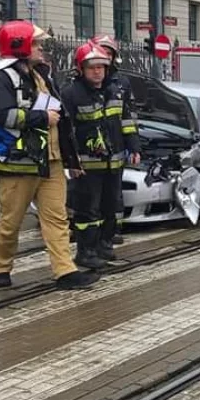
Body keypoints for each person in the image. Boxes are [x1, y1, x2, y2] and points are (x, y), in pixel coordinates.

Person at [0, 21, 98, 290]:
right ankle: (2, 268)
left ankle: (65, 272)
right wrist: (41, 116)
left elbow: (62, 120)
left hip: (50, 160)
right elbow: (3, 116)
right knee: (11, 222)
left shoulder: (42, 75)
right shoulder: (0, 79)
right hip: (18, 163)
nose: (41, 48)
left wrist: (72, 161)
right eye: (35, 43)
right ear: (19, 46)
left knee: (57, 218)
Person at [62, 42, 142, 270]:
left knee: (110, 208)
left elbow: (127, 121)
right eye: (92, 67)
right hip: (87, 165)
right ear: (81, 69)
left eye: (101, 67)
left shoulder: (115, 90)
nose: (97, 71)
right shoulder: (71, 94)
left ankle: (104, 245)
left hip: (113, 162)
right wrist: (72, 162)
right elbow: (66, 131)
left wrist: (134, 147)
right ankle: (86, 251)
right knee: (88, 210)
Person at [90, 34, 137, 247]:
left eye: (109, 53)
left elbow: (128, 116)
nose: (105, 58)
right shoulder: (79, 83)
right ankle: (93, 236)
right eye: (102, 52)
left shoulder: (121, 83)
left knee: (114, 193)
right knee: (90, 196)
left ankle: (112, 231)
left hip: (115, 148)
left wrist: (133, 145)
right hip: (89, 153)